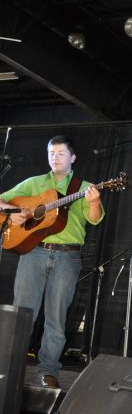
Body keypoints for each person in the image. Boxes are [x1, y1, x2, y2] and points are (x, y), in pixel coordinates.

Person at [0, 136, 104, 389]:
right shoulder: (34, 183)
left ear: (72, 158)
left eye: (60, 153)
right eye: (51, 153)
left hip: (67, 257)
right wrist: (14, 212)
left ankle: (49, 371)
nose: (55, 158)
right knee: (22, 314)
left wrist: (94, 202)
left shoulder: (84, 187)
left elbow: (95, 218)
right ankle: (8, 370)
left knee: (56, 317)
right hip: (32, 253)